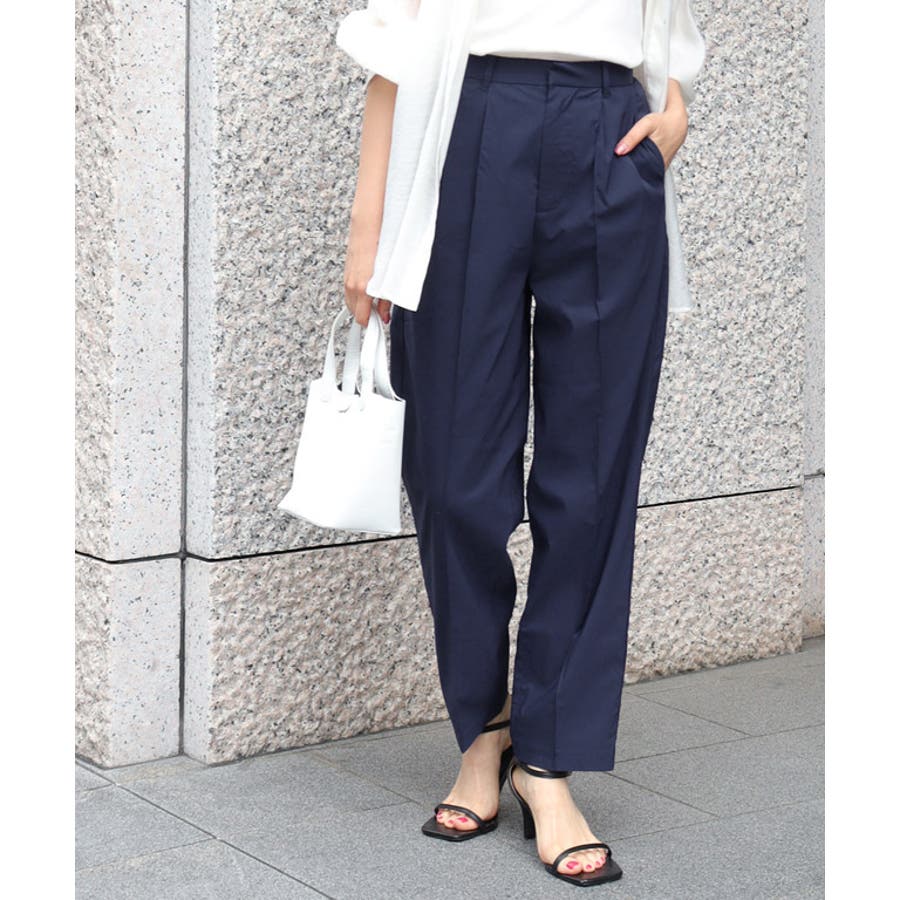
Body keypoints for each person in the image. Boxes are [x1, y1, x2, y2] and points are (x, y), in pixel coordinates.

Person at [336, 0, 706, 888]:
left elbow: (672, 31)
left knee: (591, 478)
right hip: (466, 129)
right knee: (454, 473)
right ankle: (486, 727)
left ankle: (547, 762)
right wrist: (368, 221)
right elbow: (394, 45)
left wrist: (675, 114)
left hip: (608, 136)